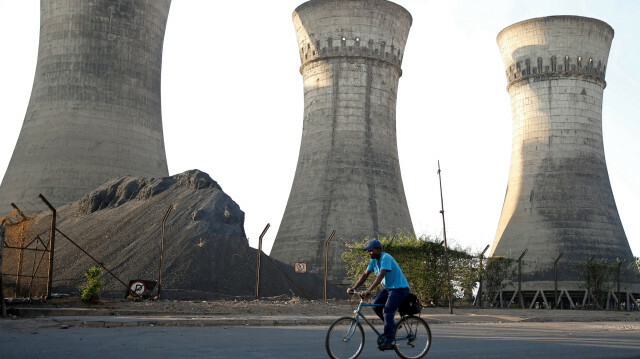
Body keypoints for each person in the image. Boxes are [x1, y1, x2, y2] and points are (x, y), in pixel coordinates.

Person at [347, 239, 410, 351]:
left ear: (378, 250)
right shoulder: (373, 260)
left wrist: (369, 290)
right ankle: (393, 325)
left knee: (387, 311)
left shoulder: (386, 258)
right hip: (389, 289)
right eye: (368, 251)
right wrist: (354, 288)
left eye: (371, 250)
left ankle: (390, 341)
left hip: (400, 289)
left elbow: (380, 276)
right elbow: (365, 275)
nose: (369, 252)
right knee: (376, 305)